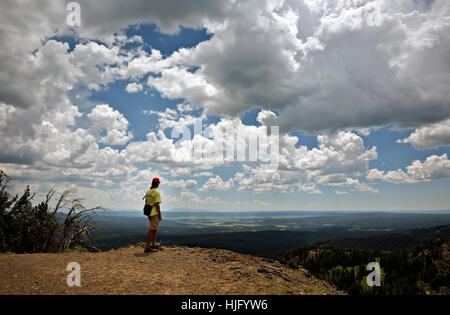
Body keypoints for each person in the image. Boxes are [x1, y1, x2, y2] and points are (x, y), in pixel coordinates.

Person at [143, 177, 162, 253]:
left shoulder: (148, 191)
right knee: (152, 229)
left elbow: (147, 202)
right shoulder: (156, 192)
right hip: (154, 212)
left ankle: (153, 244)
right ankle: (148, 247)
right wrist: (159, 214)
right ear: (157, 183)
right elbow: (157, 204)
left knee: (154, 229)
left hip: (148, 212)